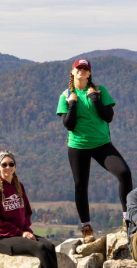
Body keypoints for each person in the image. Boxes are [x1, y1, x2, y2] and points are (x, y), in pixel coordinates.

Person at [0, 151, 87, 268]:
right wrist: (20, 233)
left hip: (20, 234)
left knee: (49, 246)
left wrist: (26, 230)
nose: (8, 167)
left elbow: (27, 213)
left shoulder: (19, 187)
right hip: (1, 239)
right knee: (39, 248)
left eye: (11, 164)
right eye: (4, 164)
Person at [56, 58, 132, 243]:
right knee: (80, 186)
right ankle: (86, 227)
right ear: (72, 72)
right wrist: (72, 103)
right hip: (78, 146)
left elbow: (108, 117)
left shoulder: (99, 90)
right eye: (78, 68)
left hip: (101, 144)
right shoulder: (65, 95)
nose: (81, 71)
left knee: (124, 173)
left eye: (85, 68)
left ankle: (127, 218)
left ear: (89, 73)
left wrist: (95, 99)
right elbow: (69, 124)